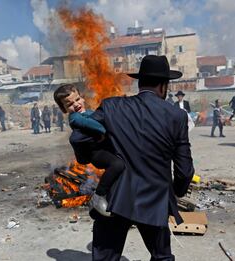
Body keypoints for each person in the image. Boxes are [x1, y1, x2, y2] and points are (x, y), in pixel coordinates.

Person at [88, 55, 194, 260]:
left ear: (140, 82)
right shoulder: (176, 116)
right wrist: (175, 192)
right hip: (155, 198)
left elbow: (81, 135)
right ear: (164, 86)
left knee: (105, 257)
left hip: (116, 197)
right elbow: (185, 170)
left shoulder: (111, 106)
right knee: (161, 256)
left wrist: (97, 157)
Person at [54, 84, 125, 216]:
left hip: (102, 150)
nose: (75, 104)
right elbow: (93, 125)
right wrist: (104, 130)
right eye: (69, 104)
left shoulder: (88, 113)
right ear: (63, 109)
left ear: (82, 98)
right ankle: (98, 195)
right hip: (96, 153)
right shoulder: (75, 118)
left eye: (77, 99)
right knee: (117, 164)